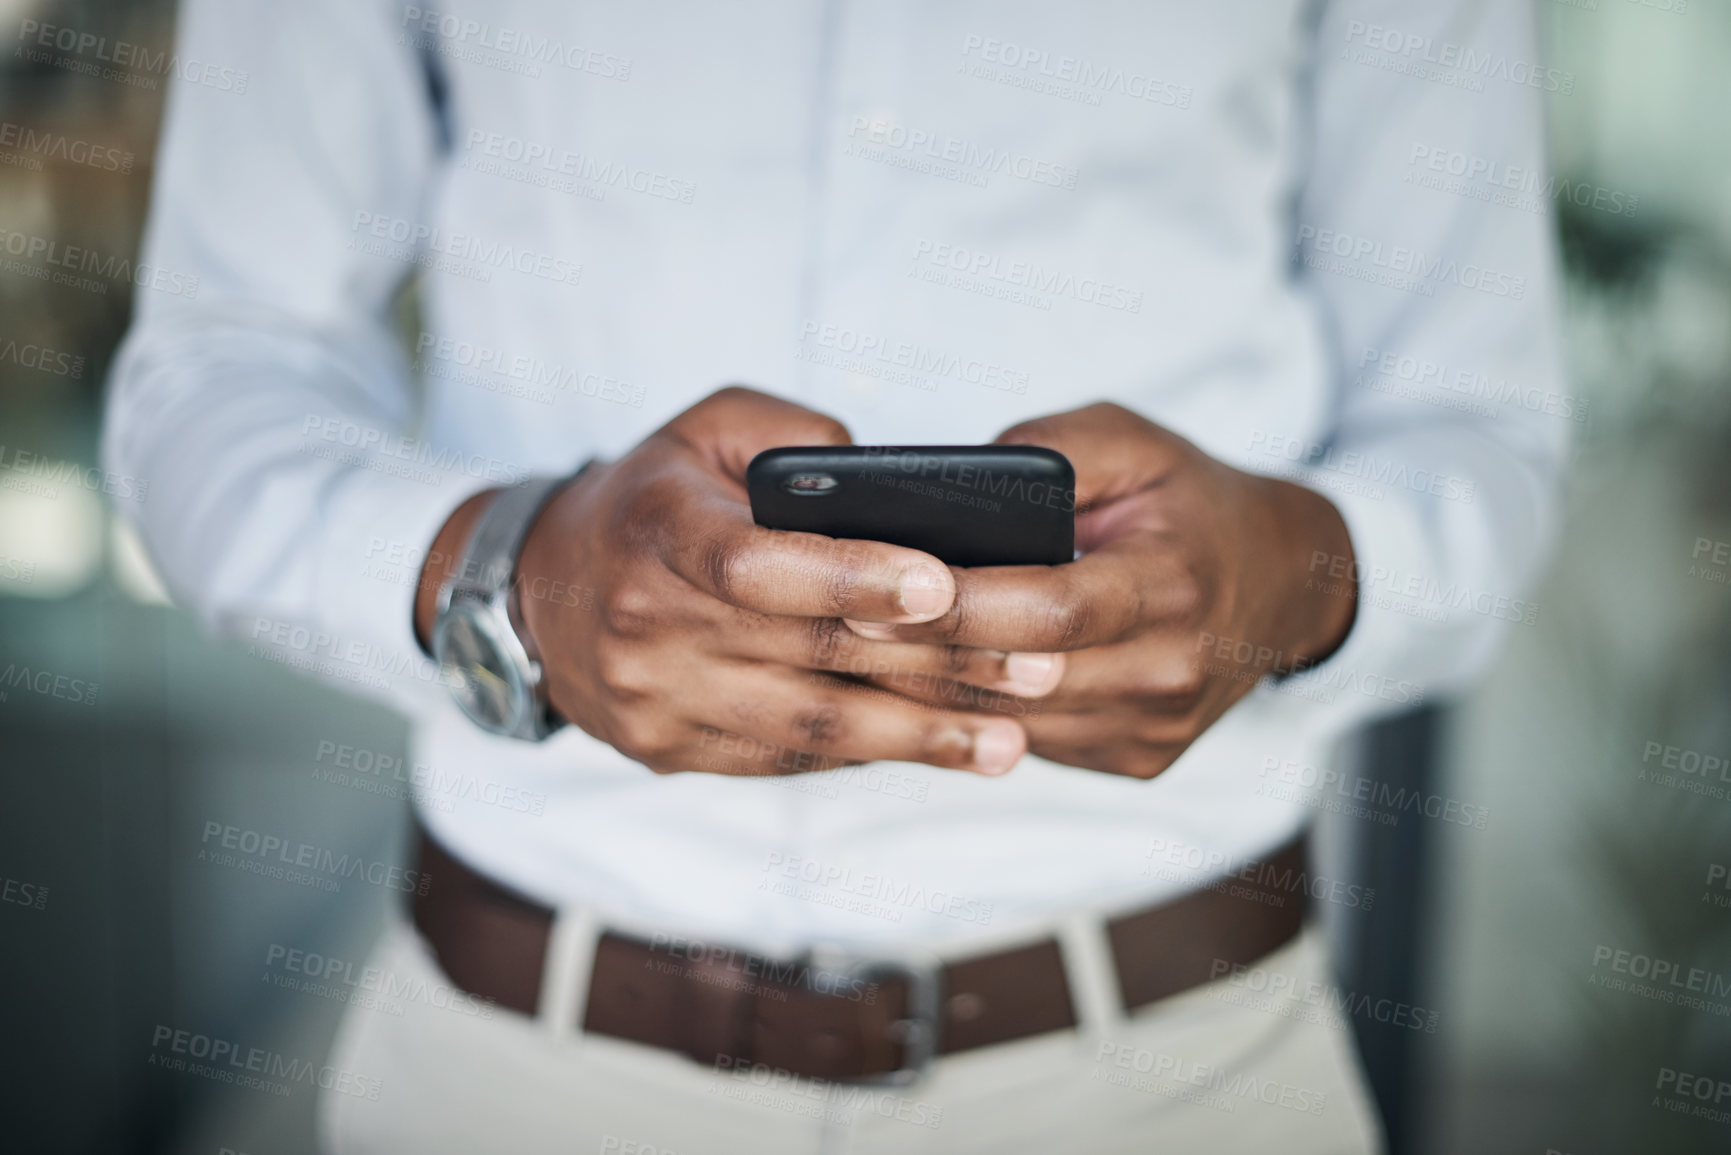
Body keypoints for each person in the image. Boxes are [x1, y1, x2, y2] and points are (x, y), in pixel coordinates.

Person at [104, 1, 1566, 1151]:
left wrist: (1291, 582)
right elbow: (216, 379)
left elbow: (1480, 429)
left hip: (1181, 1086)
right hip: (520, 1081)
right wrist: (507, 575)